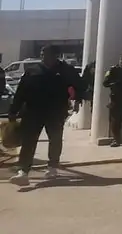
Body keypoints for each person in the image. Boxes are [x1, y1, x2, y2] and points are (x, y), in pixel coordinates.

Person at [8, 45, 82, 185]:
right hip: (33, 111)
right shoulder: (32, 71)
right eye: (42, 54)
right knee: (28, 141)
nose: (43, 56)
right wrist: (14, 110)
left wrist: (76, 99)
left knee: (55, 139)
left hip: (56, 111)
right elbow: (21, 92)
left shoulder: (66, 71)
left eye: (46, 54)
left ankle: (52, 166)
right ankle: (23, 172)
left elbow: (80, 85)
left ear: (55, 55)